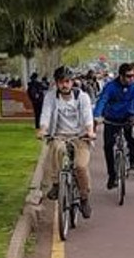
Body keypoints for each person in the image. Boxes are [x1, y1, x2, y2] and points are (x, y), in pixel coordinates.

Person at [37, 66, 96, 218]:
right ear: (57, 83)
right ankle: (56, 184)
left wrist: (90, 131)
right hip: (59, 135)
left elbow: (87, 116)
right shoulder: (51, 96)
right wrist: (43, 129)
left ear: (72, 82)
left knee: (80, 166)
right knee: (57, 148)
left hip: (80, 136)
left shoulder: (82, 97)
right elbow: (46, 114)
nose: (65, 85)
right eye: (61, 82)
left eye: (67, 82)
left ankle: (84, 197)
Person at [93, 63, 134, 189]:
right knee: (108, 146)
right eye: (129, 76)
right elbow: (102, 100)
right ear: (121, 76)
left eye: (133, 76)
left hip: (127, 117)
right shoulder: (110, 86)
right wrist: (97, 115)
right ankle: (112, 175)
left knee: (133, 138)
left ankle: (133, 160)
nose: (132, 79)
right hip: (111, 118)